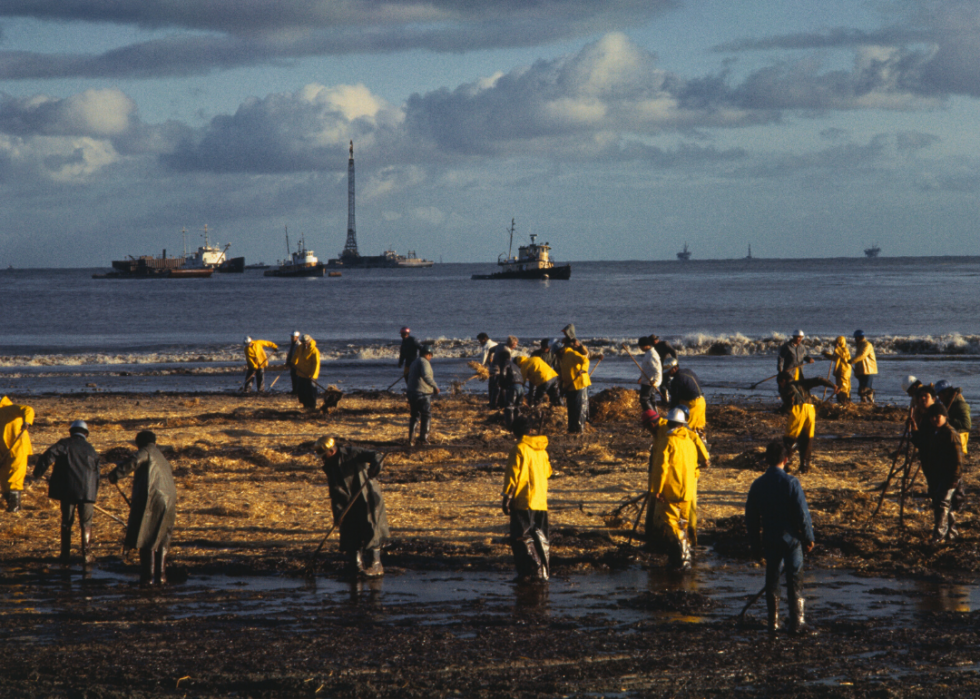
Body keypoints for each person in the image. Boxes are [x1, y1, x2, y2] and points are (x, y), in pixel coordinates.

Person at [745, 440, 815, 635]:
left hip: (770, 538)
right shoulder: (791, 483)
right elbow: (802, 513)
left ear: (766, 459)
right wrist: (809, 537)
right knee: (795, 578)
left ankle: (773, 622)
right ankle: (797, 622)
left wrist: (755, 545)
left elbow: (751, 518)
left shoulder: (758, 484)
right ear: (786, 460)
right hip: (791, 539)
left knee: (772, 578)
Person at [107, 431, 176, 586]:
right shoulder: (162, 457)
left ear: (139, 444)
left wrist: (115, 474)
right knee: (162, 539)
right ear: (155, 443)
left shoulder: (146, 452)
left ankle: (148, 578)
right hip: (169, 500)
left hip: (154, 498)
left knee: (147, 536)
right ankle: (161, 577)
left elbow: (134, 461)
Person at [313, 436, 389, 577]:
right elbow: (334, 491)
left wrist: (375, 468)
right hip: (345, 499)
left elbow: (376, 455)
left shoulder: (352, 453)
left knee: (370, 527)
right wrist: (337, 514)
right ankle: (356, 565)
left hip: (365, 494)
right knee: (349, 528)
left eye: (324, 456)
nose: (323, 459)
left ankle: (376, 565)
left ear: (332, 451)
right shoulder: (329, 465)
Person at [32, 420, 101, 566]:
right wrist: (93, 493)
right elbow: (97, 474)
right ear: (86, 434)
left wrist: (38, 473)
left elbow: (49, 454)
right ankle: (87, 555)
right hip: (88, 492)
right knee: (86, 523)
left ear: (71, 432)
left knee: (67, 521)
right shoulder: (91, 449)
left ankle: (65, 555)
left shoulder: (65, 444)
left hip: (68, 490)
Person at [645, 407, 703, 570]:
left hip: (671, 490)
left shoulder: (667, 441)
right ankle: (681, 557)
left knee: (671, 522)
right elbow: (701, 460)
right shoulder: (689, 441)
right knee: (683, 522)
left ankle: (683, 559)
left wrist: (655, 489)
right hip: (688, 491)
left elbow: (661, 468)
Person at [501, 416, 552, 582]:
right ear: (530, 431)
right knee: (541, 538)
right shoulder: (542, 450)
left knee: (522, 538)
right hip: (540, 500)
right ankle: (543, 572)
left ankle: (528, 572)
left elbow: (512, 476)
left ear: (514, 432)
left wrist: (506, 498)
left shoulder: (519, 449)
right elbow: (548, 472)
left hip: (523, 500)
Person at [910, 403, 965, 544]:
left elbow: (958, 460)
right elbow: (921, 443)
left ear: (945, 417)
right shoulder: (935, 432)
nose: (935, 419)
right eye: (932, 417)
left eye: (938, 416)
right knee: (944, 505)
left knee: (941, 505)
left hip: (949, 476)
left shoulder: (951, 434)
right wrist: (913, 427)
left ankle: (938, 536)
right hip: (938, 476)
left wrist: (955, 478)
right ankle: (951, 534)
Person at [777, 371, 835, 474]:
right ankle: (804, 468)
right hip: (810, 411)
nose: (780, 385)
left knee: (789, 440)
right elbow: (819, 379)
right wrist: (833, 386)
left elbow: (788, 404)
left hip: (798, 411)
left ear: (783, 381)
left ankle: (785, 465)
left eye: (780, 383)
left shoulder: (785, 388)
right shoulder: (803, 382)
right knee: (807, 440)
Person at [0, 395, 34, 513]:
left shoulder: (9, 409)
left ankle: (15, 507)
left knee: (15, 476)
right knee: (4, 477)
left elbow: (28, 409)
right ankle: (10, 503)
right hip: (4, 450)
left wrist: (27, 422)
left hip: (18, 447)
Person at [557, 328, 591, 434]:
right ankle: (571, 429)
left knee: (580, 408)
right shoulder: (561, 358)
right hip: (570, 386)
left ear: (561, 350)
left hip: (579, 383)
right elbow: (563, 375)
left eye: (556, 352)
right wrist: (562, 387)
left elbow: (585, 359)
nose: (555, 355)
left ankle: (580, 430)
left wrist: (583, 370)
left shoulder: (570, 354)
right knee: (571, 409)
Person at [662, 357, 706, 432]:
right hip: (702, 401)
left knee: (687, 428)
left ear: (675, 368)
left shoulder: (677, 380)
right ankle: (703, 442)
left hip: (693, 405)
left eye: (669, 371)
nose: (668, 374)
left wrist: (672, 414)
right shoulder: (688, 371)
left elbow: (675, 399)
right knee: (699, 427)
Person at [406, 345, 439, 445]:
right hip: (422, 393)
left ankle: (411, 440)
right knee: (426, 415)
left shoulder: (414, 362)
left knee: (414, 416)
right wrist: (435, 386)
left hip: (412, 392)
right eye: (431, 356)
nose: (431, 358)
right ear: (429, 354)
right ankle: (423, 439)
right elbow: (426, 376)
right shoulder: (424, 362)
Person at [935, 380, 971, 455]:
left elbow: (967, 425)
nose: (940, 398)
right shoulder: (948, 405)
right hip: (950, 442)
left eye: (940, 395)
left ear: (946, 393)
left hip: (959, 443)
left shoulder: (960, 405)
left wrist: (947, 420)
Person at [497, 337, 524, 428]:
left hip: (513, 387)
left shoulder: (505, 363)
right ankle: (518, 425)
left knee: (509, 407)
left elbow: (503, 375)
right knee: (517, 407)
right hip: (521, 387)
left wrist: (501, 384)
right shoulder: (515, 365)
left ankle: (510, 426)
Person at [822, 336, 852, 404]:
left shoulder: (845, 350)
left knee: (843, 387)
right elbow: (835, 358)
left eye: (837, 342)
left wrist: (837, 348)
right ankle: (840, 401)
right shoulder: (839, 350)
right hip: (839, 372)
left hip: (844, 372)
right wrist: (826, 354)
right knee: (838, 386)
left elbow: (843, 355)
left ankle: (845, 401)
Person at [636, 336, 663, 413]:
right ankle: (655, 415)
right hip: (647, 380)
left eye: (641, 346)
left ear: (646, 345)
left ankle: (651, 415)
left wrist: (655, 381)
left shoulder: (652, 355)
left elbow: (657, 370)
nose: (640, 348)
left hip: (650, 382)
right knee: (651, 399)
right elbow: (647, 368)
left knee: (644, 399)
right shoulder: (648, 353)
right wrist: (641, 377)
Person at [294, 334, 321, 409]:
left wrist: (313, 376)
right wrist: (292, 362)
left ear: (309, 341)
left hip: (310, 375)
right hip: (301, 373)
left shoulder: (314, 350)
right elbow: (296, 356)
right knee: (301, 391)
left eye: (305, 342)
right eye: (303, 342)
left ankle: (312, 406)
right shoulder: (300, 347)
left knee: (311, 391)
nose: (304, 343)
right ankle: (305, 405)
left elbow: (316, 364)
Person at [851, 330, 877, 403]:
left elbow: (862, 355)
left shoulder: (867, 345)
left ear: (858, 338)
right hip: (862, 370)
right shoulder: (860, 345)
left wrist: (852, 361)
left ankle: (872, 402)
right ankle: (864, 403)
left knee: (866, 389)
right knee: (861, 390)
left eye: (855, 338)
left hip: (868, 370)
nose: (855, 340)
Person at [476, 333, 499, 407]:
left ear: (484, 339)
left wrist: (480, 370)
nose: (480, 342)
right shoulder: (496, 344)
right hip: (500, 367)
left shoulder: (486, 346)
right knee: (498, 385)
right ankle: (498, 401)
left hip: (492, 367)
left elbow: (483, 361)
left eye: (480, 341)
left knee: (492, 385)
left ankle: (492, 402)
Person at [286, 331, 302, 395]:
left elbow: (298, 355)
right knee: (293, 377)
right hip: (292, 363)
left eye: (293, 337)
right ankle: (294, 390)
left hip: (296, 364)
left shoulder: (299, 345)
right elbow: (290, 354)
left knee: (297, 377)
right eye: (291, 337)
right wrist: (288, 361)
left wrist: (294, 363)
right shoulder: (293, 344)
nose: (292, 338)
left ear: (297, 337)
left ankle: (297, 391)